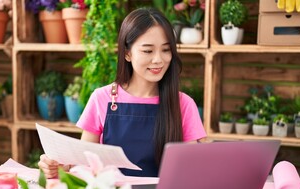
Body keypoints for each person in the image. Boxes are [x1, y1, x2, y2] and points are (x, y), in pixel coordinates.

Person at [38, 7, 207, 178]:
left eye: (166, 50)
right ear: (127, 53)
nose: (158, 60)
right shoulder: (101, 98)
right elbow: (84, 163)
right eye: (148, 51)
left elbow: (191, 171)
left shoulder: (183, 104)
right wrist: (60, 166)